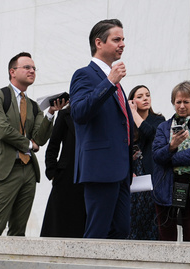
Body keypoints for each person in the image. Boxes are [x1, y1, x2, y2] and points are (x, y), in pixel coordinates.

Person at [0, 52, 65, 236]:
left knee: (18, 231)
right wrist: (28, 144)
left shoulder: (34, 106)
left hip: (28, 171)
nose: (32, 71)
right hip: (3, 170)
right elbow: (2, 130)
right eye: (27, 67)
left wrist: (51, 112)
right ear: (12, 71)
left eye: (34, 68)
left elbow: (40, 139)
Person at [70, 19, 135, 239]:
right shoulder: (85, 75)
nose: (122, 44)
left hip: (122, 170)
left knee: (121, 231)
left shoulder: (114, 79)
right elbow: (79, 112)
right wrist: (109, 82)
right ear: (99, 42)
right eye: (117, 39)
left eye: (123, 39)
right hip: (100, 168)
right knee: (97, 232)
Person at [151, 81, 190, 242]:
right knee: (166, 235)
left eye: (186, 101)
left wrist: (172, 158)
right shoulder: (163, 127)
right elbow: (157, 155)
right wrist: (172, 146)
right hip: (167, 185)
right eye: (178, 102)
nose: (181, 106)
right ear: (173, 102)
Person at [40, 105, 87, 237]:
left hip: (88, 175)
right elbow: (53, 144)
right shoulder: (65, 114)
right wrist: (53, 173)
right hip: (65, 176)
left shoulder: (96, 112)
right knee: (58, 223)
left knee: (82, 221)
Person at [127, 85, 165, 240]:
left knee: (152, 215)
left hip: (152, 173)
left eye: (147, 95)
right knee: (132, 215)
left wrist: (134, 113)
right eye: (140, 96)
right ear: (132, 100)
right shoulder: (127, 122)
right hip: (133, 174)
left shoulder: (158, 120)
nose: (145, 99)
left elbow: (149, 133)